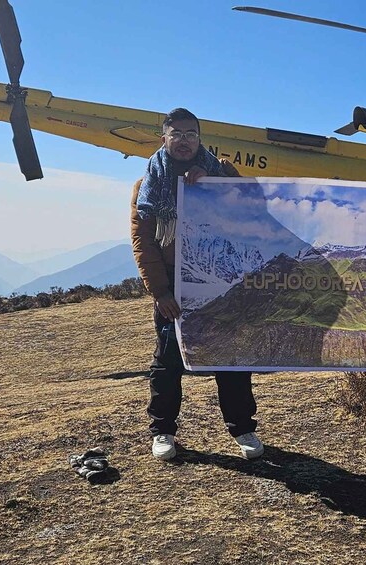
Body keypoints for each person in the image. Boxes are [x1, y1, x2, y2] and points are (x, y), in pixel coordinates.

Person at [131, 107, 262, 461]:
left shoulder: (219, 172)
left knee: (230, 355)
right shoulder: (148, 187)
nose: (184, 141)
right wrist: (160, 292)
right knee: (169, 358)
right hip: (174, 281)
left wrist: (214, 182)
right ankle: (163, 431)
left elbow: (253, 203)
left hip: (220, 276)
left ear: (200, 139)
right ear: (165, 139)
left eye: (191, 134)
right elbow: (143, 243)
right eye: (177, 135)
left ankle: (242, 427)